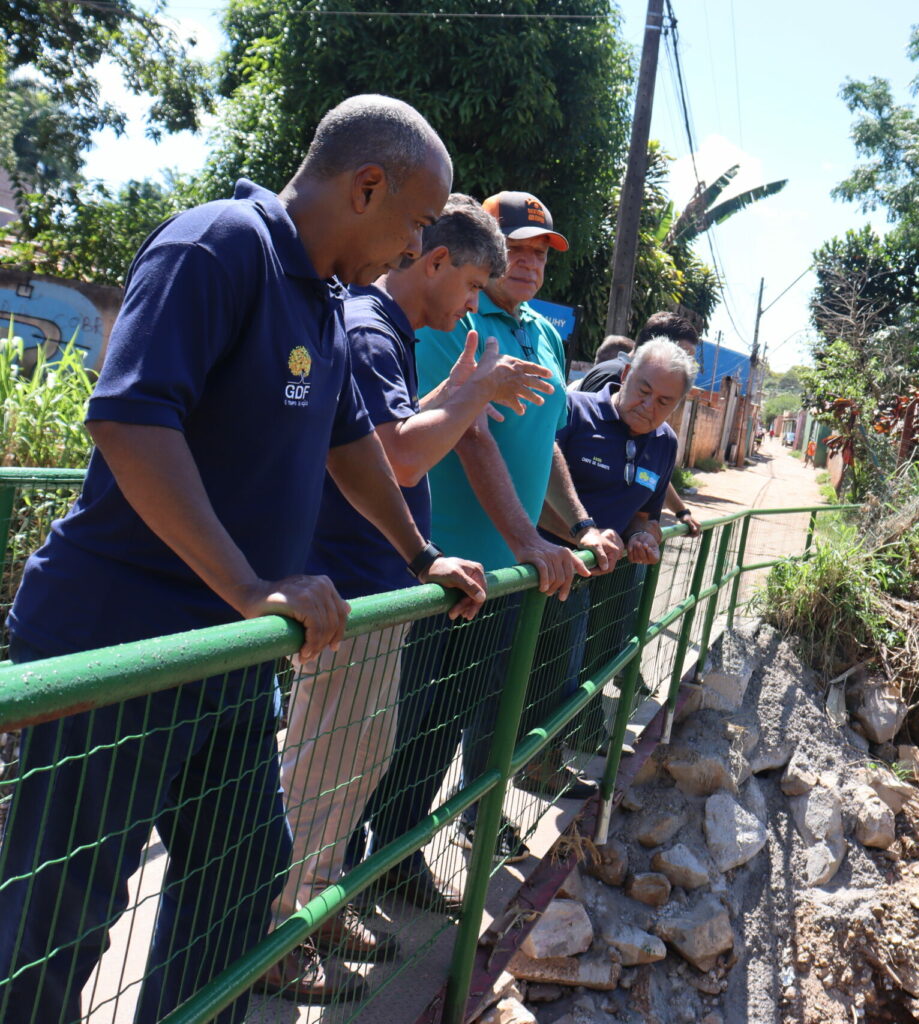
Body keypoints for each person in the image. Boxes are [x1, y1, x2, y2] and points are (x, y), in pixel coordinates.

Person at [0, 95, 488, 1024]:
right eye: (417, 221)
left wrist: (421, 554)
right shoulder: (220, 246)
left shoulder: (327, 301)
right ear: (366, 186)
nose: (413, 245)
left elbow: (354, 451)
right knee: (63, 921)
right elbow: (130, 421)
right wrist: (253, 584)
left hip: (228, 646)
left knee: (245, 869)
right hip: (124, 645)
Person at [267, 195, 553, 999]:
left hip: (371, 589)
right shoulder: (367, 329)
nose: (470, 305)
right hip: (347, 590)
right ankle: (277, 928)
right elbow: (396, 461)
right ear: (434, 264)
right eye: (468, 287)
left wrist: (459, 396)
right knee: (321, 764)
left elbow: (389, 437)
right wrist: (472, 397)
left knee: (354, 762)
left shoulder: (391, 334)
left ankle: (316, 904)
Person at [352, 190, 622, 911]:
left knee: (453, 722)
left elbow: (546, 443)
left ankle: (399, 857)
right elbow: (467, 432)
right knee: (397, 727)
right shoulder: (457, 318)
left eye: (541, 253)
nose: (530, 263)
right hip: (442, 565)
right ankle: (360, 869)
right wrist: (527, 538)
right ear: (485, 255)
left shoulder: (544, 334)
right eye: (519, 249)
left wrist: (579, 525)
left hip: (501, 573)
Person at [539, 340, 696, 732]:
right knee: (525, 684)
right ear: (625, 375)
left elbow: (645, 517)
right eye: (643, 391)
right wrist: (583, 534)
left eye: (664, 402)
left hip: (598, 580)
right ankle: (527, 771)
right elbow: (531, 491)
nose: (649, 406)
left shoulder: (665, 444)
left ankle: (552, 758)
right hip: (538, 571)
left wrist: (643, 537)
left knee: (576, 675)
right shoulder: (574, 414)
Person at [579, 311, 702, 537]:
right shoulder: (609, 379)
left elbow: (649, 472)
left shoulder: (663, 440)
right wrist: (584, 532)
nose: (687, 364)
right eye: (685, 354)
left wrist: (677, 512)